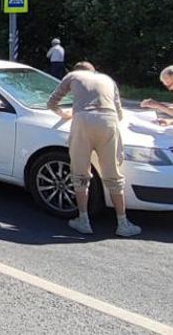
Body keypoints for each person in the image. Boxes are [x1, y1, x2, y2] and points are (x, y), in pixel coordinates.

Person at [47, 62, 141, 237]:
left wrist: (66, 115)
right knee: (113, 173)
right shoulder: (108, 79)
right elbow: (119, 113)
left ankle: (83, 220)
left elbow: (52, 103)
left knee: (80, 173)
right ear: (94, 71)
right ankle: (122, 223)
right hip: (109, 120)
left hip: (83, 120)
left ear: (76, 70)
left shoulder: (72, 76)